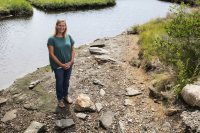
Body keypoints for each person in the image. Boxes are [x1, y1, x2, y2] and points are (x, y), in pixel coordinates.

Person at [47, 20, 75, 108]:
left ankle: (66, 96)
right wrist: (61, 64)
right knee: (59, 82)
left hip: (69, 64)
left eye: (63, 25)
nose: (62, 27)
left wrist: (71, 61)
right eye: (60, 25)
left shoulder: (68, 36)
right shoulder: (51, 39)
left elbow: (73, 49)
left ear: (65, 26)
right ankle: (60, 99)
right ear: (56, 26)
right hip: (58, 66)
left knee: (66, 81)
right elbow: (51, 54)